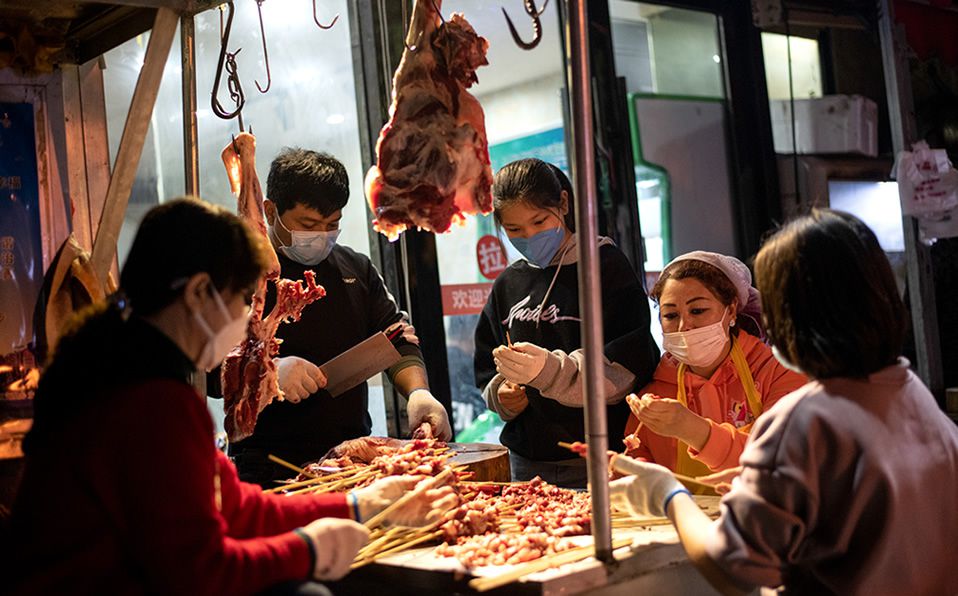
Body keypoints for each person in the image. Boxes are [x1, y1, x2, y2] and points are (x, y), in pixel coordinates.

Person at [6, 198, 456, 595]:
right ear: (199, 292)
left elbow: (234, 508)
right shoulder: (149, 399)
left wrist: (360, 505)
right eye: (242, 299)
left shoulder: (123, 365)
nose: (245, 318)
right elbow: (198, 574)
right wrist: (309, 549)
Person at [608, 209, 958, 594]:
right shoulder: (910, 390)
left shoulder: (805, 417)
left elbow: (731, 567)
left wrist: (668, 495)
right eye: (670, 315)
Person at [226, 148, 451, 487]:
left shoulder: (355, 268)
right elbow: (210, 369)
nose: (321, 235)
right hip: (266, 469)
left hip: (351, 461)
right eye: (308, 225)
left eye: (332, 224)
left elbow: (397, 337)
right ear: (271, 211)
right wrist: (268, 372)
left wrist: (419, 392)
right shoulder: (240, 275)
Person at [474, 158, 659, 488]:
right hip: (525, 462)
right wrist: (502, 396)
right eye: (514, 230)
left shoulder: (604, 267)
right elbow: (488, 365)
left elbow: (627, 368)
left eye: (539, 221)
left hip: (600, 457)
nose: (530, 236)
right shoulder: (508, 283)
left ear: (563, 202)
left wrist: (548, 372)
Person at [623, 251, 806, 476]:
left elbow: (783, 459)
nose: (684, 326)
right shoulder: (655, 393)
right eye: (670, 315)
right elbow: (636, 459)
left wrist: (692, 429)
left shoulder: (778, 373)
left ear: (731, 310)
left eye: (697, 311)